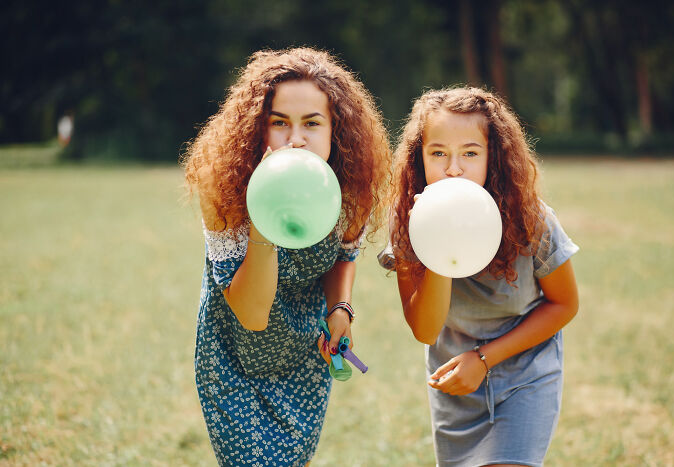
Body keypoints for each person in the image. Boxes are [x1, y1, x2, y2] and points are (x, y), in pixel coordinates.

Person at [181, 47, 391, 466]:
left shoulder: (349, 190)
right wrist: (265, 211)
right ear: (259, 130)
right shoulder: (223, 192)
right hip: (233, 356)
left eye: (312, 124)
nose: (295, 139)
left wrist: (341, 308)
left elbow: (344, 254)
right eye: (280, 124)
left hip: (302, 354)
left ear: (336, 132)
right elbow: (252, 314)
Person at [378, 86, 579, 467]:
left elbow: (565, 304)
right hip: (454, 384)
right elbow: (424, 329)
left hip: (526, 373)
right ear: (419, 160)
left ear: (493, 157)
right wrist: (434, 236)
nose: (453, 167)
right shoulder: (406, 223)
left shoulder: (532, 220)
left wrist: (485, 359)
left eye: (470, 153)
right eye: (438, 153)